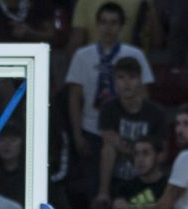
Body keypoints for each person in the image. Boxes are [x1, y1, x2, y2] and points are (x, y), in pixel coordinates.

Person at [65, 3, 154, 198]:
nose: (108, 28)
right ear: (96, 25)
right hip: (92, 129)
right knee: (94, 189)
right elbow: (74, 98)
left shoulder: (135, 54)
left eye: (114, 23)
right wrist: (78, 134)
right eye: (104, 22)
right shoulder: (82, 56)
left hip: (126, 129)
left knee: (125, 188)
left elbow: (144, 94)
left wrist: (140, 132)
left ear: (122, 27)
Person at [93, 56, 165, 209]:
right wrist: (140, 150)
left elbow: (160, 153)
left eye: (132, 77)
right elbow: (110, 141)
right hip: (118, 178)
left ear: (140, 81)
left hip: (147, 179)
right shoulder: (108, 109)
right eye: (121, 78)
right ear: (114, 82)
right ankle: (104, 193)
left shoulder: (156, 113)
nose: (126, 83)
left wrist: (126, 147)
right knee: (108, 148)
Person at [112, 135, 167, 209]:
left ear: (159, 157)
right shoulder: (125, 187)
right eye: (136, 154)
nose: (140, 159)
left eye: (146, 153)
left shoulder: (169, 186)